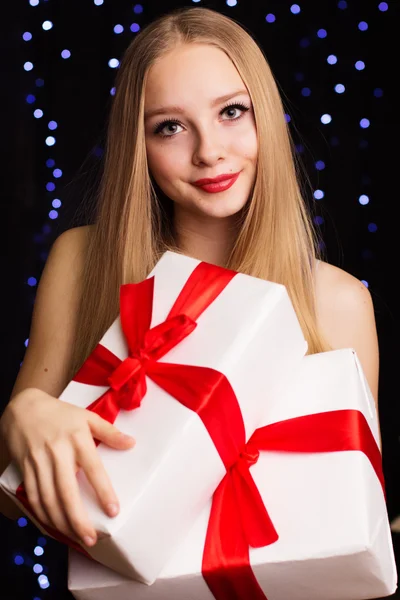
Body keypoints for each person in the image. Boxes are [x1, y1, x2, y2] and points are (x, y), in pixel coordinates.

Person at [0, 6, 379, 554]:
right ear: (140, 146)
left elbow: (354, 531)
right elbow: (12, 499)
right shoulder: (82, 260)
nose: (208, 151)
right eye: (170, 127)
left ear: (266, 118)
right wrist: (22, 416)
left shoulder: (338, 302)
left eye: (231, 111)